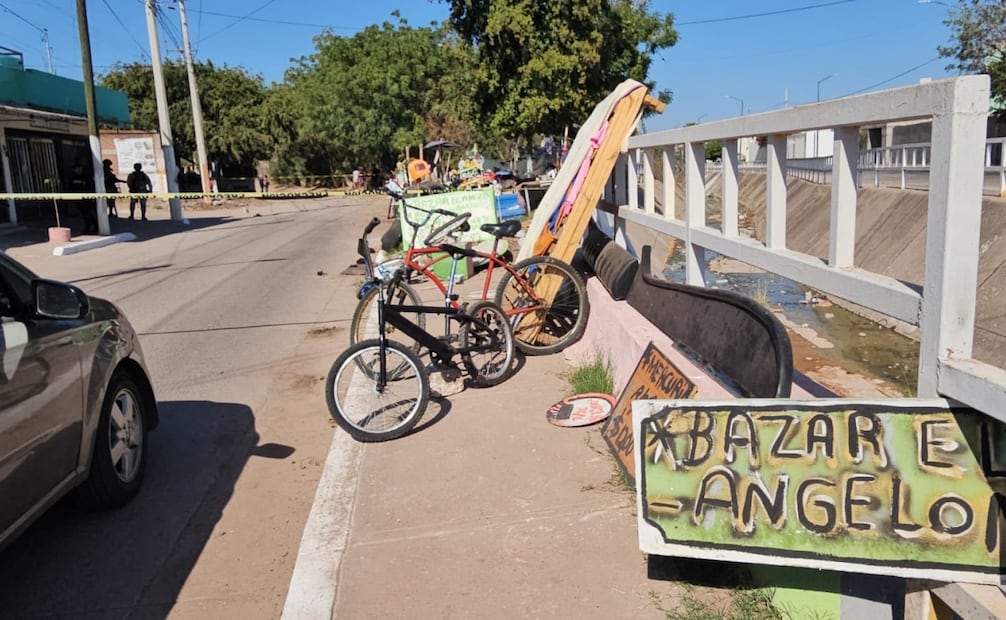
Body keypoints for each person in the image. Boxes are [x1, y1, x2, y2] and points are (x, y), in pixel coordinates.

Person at [69, 161, 98, 234]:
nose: (78, 170)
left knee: (88, 213)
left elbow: (91, 187)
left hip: (87, 198)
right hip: (78, 199)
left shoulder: (86, 177)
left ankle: (91, 226)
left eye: (79, 168)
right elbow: (71, 187)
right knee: (84, 213)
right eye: (76, 168)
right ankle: (90, 226)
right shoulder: (73, 177)